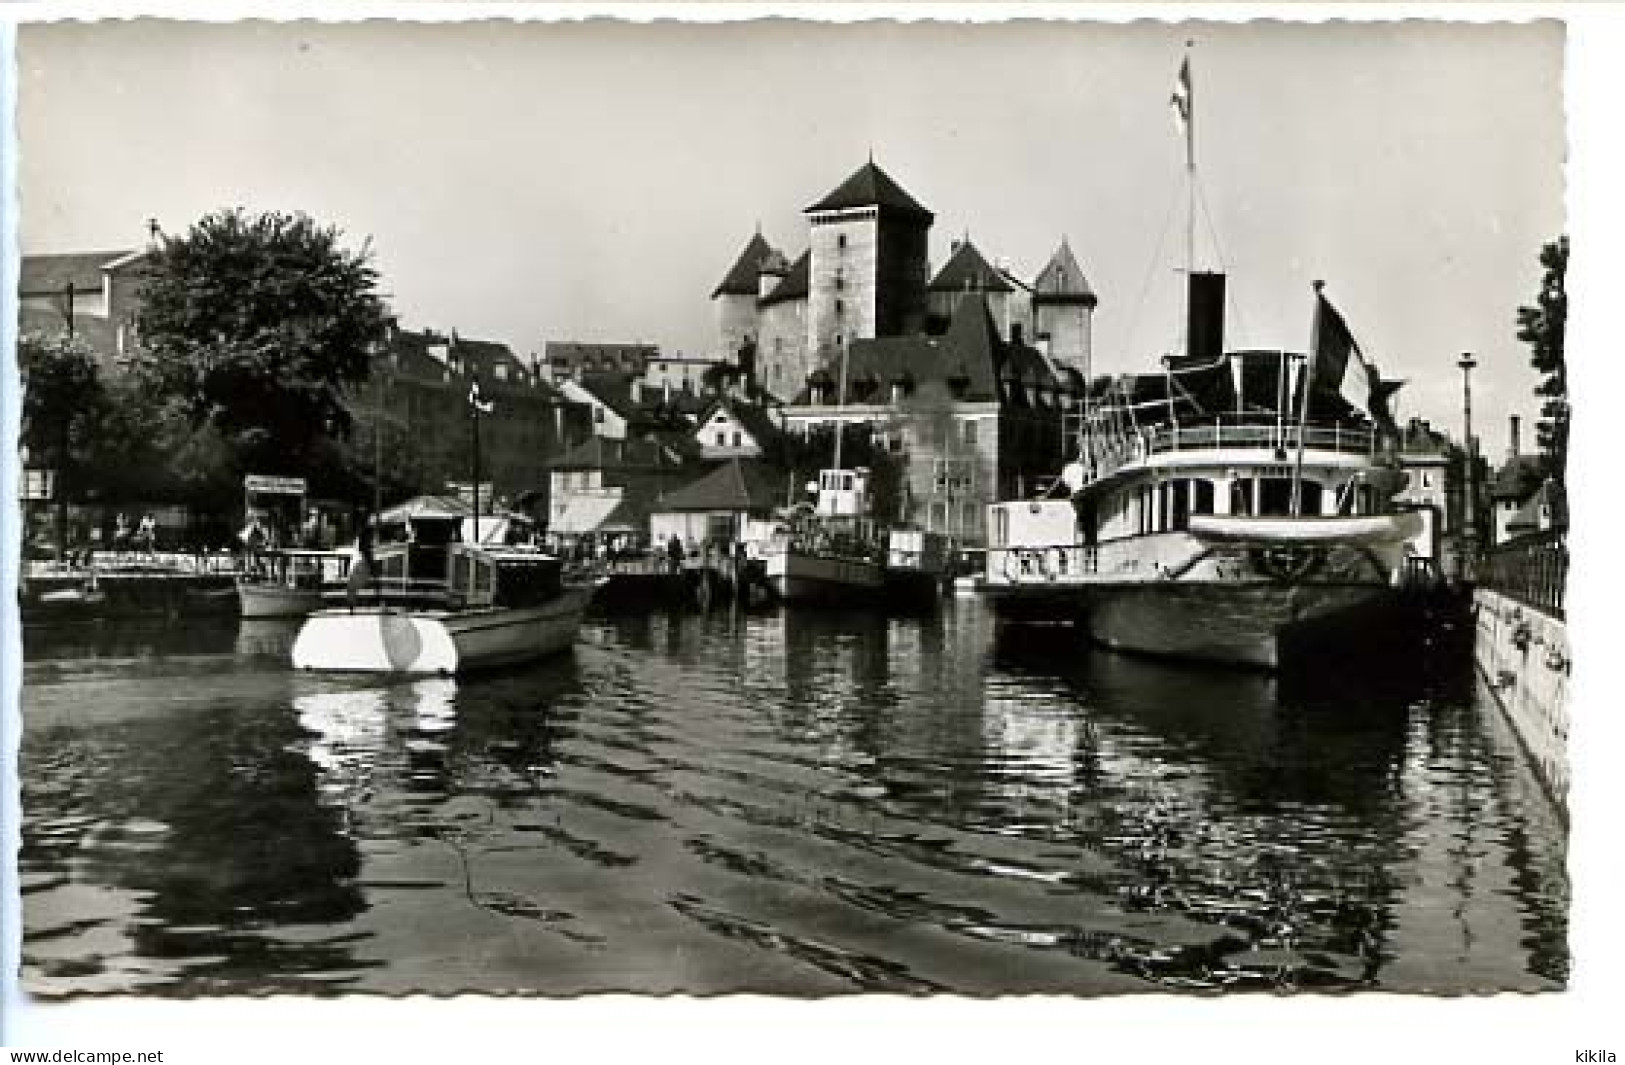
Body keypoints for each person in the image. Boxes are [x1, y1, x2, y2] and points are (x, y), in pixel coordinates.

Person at [346, 520, 376, 612]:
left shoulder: (359, 540)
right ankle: (352, 603)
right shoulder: (363, 541)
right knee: (353, 583)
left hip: (358, 563)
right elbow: (367, 553)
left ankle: (351, 604)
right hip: (361, 563)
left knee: (352, 585)